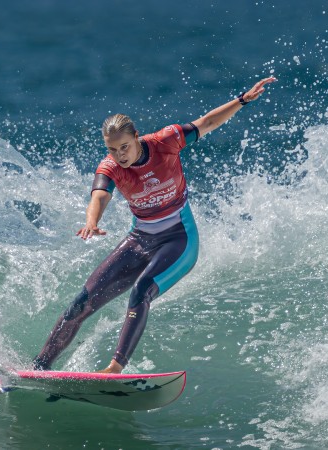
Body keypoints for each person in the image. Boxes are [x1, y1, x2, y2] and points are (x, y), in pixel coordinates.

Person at [33, 77, 277, 373]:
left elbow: (208, 122)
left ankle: (115, 368)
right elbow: (99, 195)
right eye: (112, 149)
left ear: (137, 136)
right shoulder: (110, 167)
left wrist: (242, 100)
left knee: (141, 291)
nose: (119, 155)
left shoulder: (166, 141)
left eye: (124, 147)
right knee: (80, 304)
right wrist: (91, 222)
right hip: (140, 239)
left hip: (179, 239)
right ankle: (39, 368)